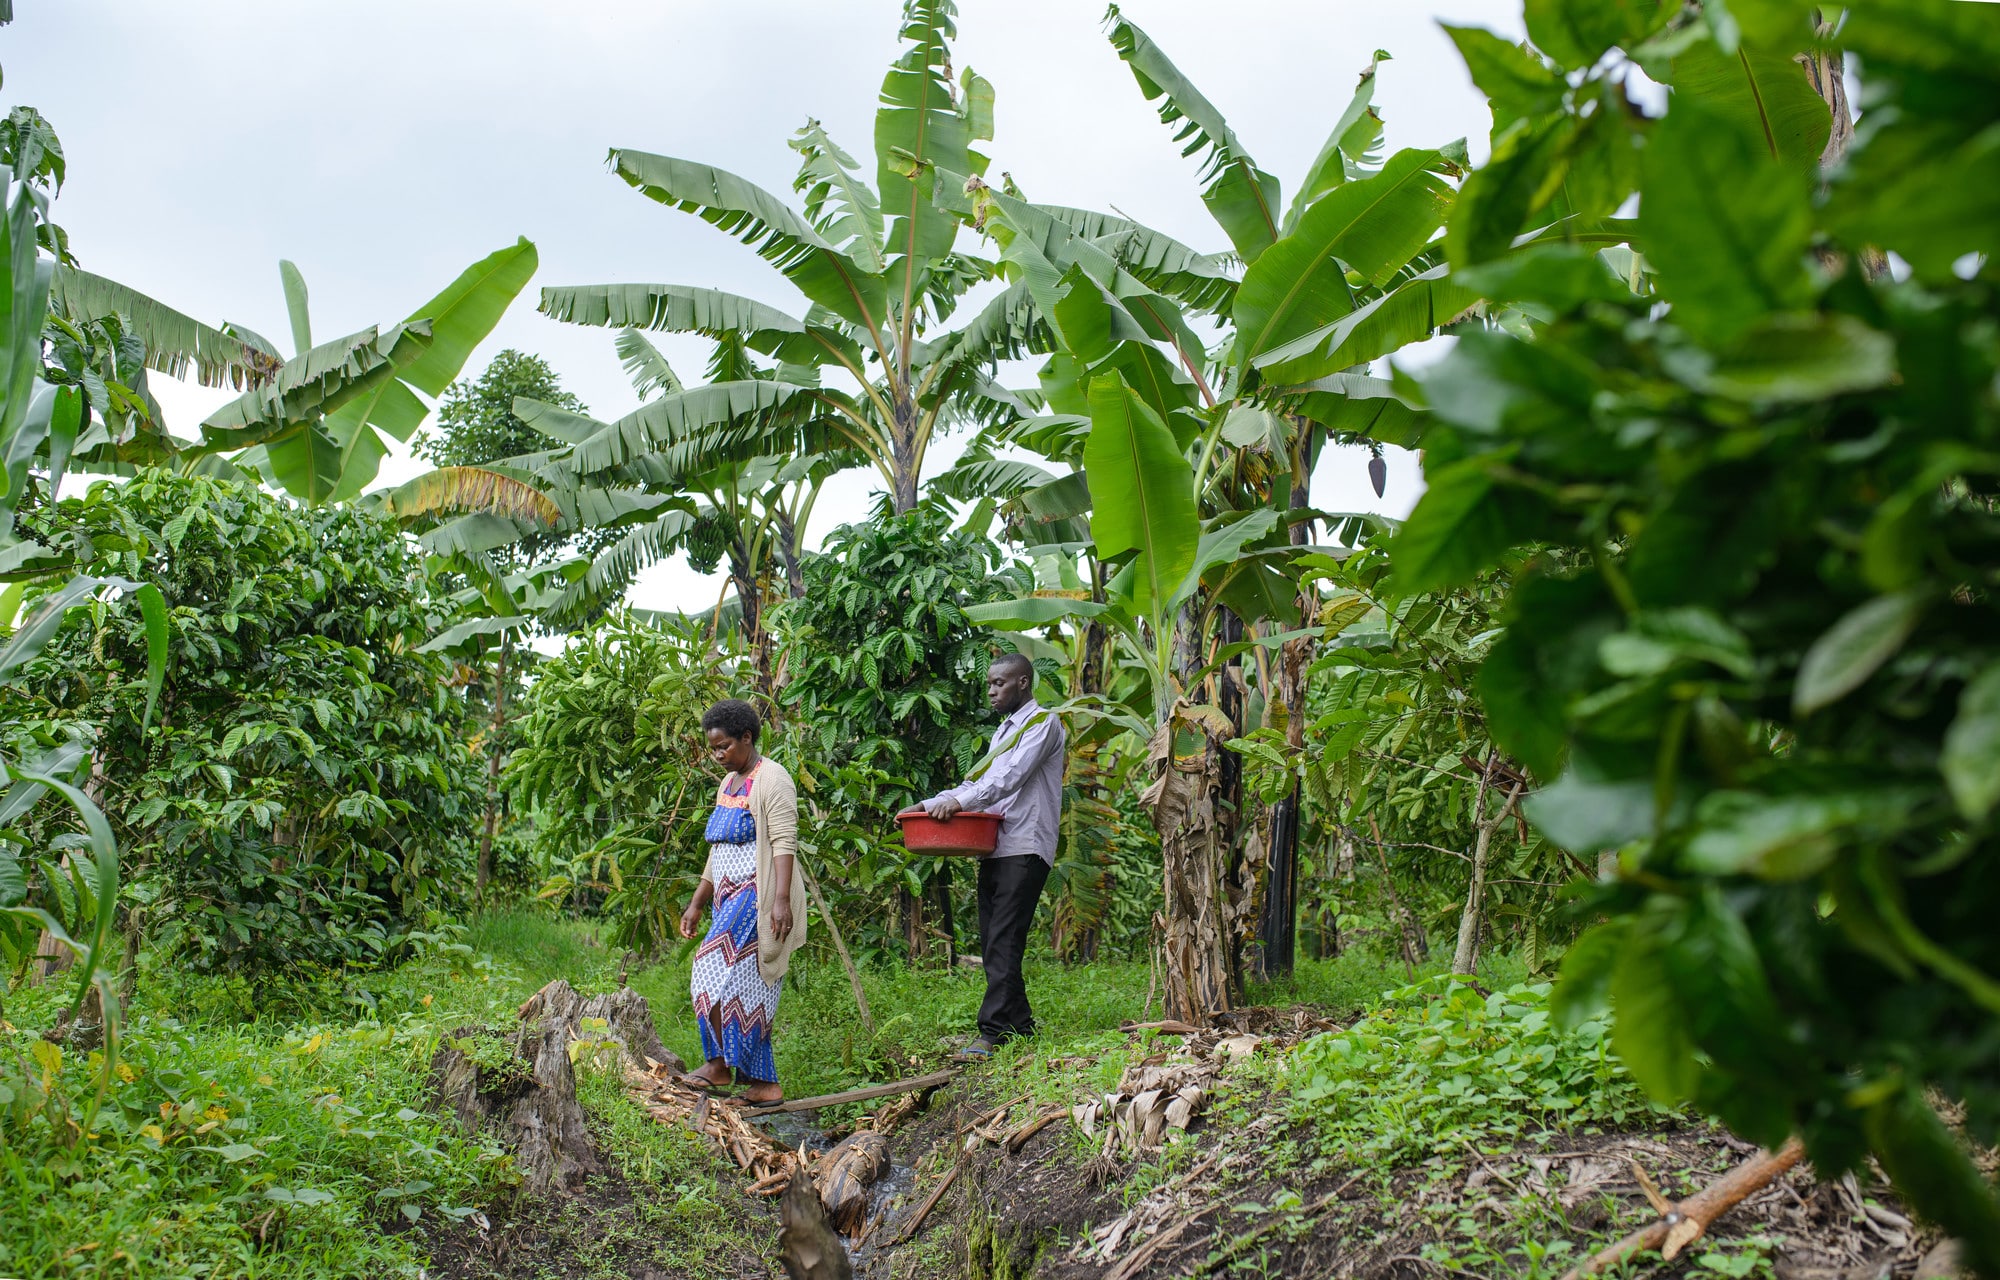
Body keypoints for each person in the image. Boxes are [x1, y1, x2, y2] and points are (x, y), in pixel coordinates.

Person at [919, 653, 1066, 1060]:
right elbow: (981, 778)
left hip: (1026, 844)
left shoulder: (1042, 724)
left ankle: (993, 1031)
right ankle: (1021, 1024)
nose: (991, 691)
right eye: (989, 683)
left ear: (1023, 682)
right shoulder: (1004, 730)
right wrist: (940, 801)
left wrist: (959, 800)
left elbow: (1009, 778)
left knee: (1003, 938)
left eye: (999, 683)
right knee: (994, 942)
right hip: (996, 845)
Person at [677, 699, 804, 1105]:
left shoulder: (773, 778)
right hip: (726, 898)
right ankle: (756, 1081)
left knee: (709, 968)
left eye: (724, 747)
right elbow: (717, 852)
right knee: (737, 989)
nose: (717, 755)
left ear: (747, 738)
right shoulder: (727, 784)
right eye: (713, 748)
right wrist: (697, 902)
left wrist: (779, 900)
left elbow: (784, 841)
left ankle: (723, 1068)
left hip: (757, 896)